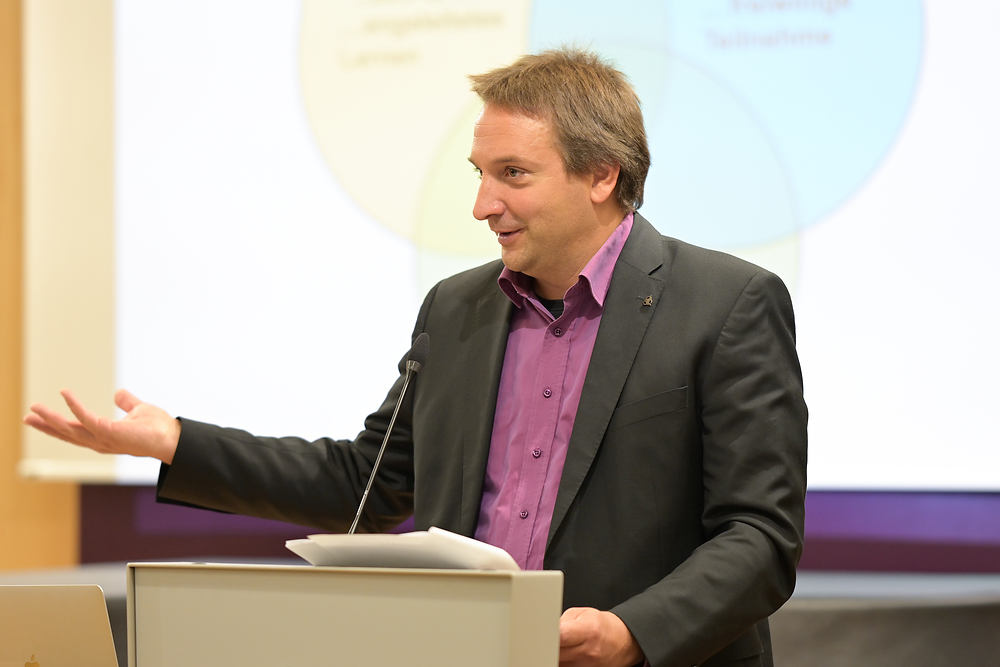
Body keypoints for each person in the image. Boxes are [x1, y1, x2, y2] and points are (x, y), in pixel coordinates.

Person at [25, 48, 807, 667]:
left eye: (513, 174)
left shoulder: (727, 304)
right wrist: (174, 442)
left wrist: (632, 632)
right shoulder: (456, 308)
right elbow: (361, 484)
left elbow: (759, 536)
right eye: (480, 174)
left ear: (602, 173)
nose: (482, 204)